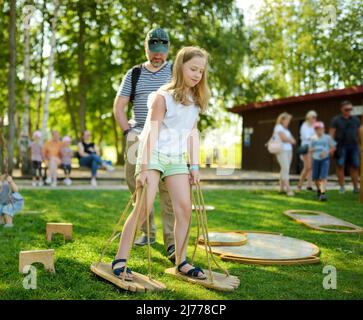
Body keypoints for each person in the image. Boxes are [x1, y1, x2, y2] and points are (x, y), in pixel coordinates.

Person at [112, 46, 209, 281]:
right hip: (151, 154)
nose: (197, 75)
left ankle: (181, 261)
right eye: (193, 69)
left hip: (176, 159)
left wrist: (194, 167)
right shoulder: (162, 96)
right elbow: (151, 133)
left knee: (185, 208)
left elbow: (192, 134)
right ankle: (120, 259)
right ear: (180, 67)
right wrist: (143, 168)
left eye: (201, 71)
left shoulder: (196, 101)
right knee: (143, 206)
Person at [113, 27, 176, 259]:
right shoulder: (134, 73)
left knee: (168, 189)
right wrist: (128, 132)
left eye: (161, 51)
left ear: (168, 49)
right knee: (136, 183)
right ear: (146, 48)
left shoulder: (174, 72)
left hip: (167, 138)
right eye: (153, 51)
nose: (157, 56)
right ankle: (147, 231)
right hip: (137, 134)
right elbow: (119, 107)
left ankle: (171, 241)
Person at [330, 100, 361, 193]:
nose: (349, 111)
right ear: (342, 109)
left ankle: (355, 187)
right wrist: (331, 147)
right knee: (340, 165)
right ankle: (342, 187)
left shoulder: (356, 119)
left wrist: (361, 145)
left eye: (350, 109)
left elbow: (360, 133)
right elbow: (331, 134)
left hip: (354, 146)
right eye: (347, 109)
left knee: (355, 166)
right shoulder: (336, 120)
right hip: (340, 146)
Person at [310, 122, 336, 201]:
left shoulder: (327, 137)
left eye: (321, 129)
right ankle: (319, 191)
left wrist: (326, 152)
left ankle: (323, 194)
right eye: (317, 129)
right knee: (315, 177)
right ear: (315, 130)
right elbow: (310, 149)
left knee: (323, 177)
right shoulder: (313, 138)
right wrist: (313, 150)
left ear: (323, 129)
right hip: (315, 159)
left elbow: (333, 147)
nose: (319, 131)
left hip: (325, 159)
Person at [273, 112, 296, 196]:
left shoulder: (286, 130)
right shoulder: (278, 127)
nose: (289, 122)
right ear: (282, 120)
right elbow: (283, 138)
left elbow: (293, 140)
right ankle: (288, 189)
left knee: (285, 168)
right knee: (285, 168)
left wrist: (289, 139)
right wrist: (289, 140)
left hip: (289, 151)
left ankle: (281, 188)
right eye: (287, 120)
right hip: (281, 150)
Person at [297, 110, 317, 192]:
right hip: (306, 148)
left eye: (315, 117)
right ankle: (299, 186)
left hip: (312, 148)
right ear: (308, 117)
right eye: (313, 117)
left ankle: (309, 185)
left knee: (310, 167)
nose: (315, 119)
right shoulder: (304, 126)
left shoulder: (314, 126)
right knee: (307, 167)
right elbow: (307, 137)